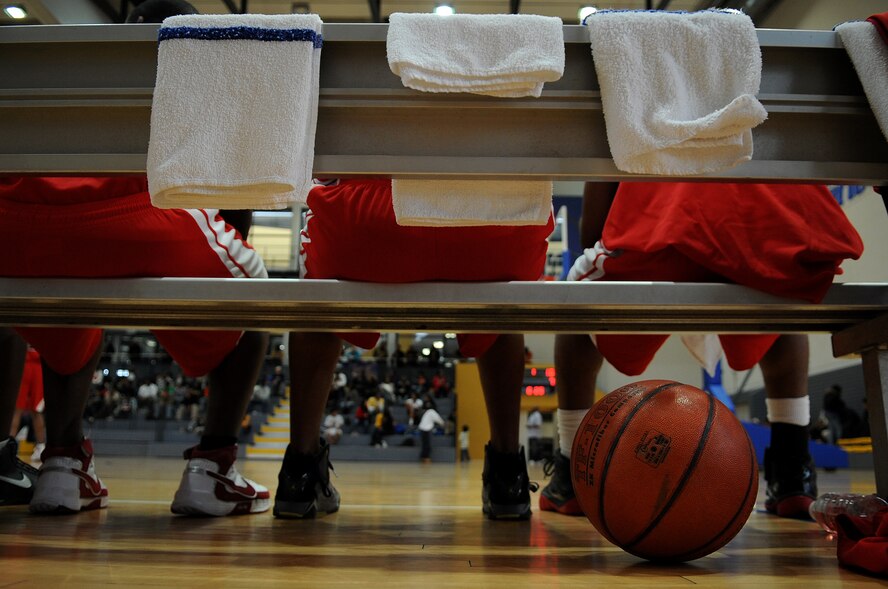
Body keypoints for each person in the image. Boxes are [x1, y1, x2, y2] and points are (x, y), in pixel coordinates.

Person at [540, 181, 863, 520]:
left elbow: (594, 224)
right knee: (782, 297)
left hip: (665, 228)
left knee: (574, 306)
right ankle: (793, 468)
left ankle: (572, 468)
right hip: (769, 234)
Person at [275, 178, 553, 520]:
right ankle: (507, 476)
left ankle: (299, 475)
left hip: (370, 225)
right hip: (498, 223)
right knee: (503, 302)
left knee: (316, 298)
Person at [0, 328, 38, 506]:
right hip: (32, 359)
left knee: (32, 411)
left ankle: (7, 446)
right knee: (13, 324)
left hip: (36, 359)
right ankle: (3, 452)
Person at [10, 346, 46, 463]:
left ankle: (40, 447)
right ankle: (8, 446)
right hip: (26, 361)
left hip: (33, 361)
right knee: (19, 410)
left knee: (33, 410)